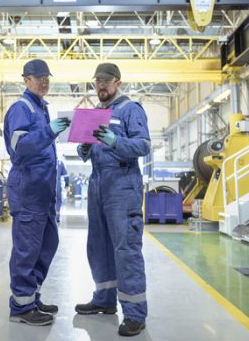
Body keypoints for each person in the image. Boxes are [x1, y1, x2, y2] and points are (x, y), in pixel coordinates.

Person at [75, 63, 151, 337]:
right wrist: (84, 147)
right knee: (98, 246)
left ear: (118, 82)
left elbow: (143, 145)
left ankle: (134, 313)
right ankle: (104, 300)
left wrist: (114, 140)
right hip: (97, 184)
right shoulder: (95, 114)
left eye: (106, 81)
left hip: (122, 185)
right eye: (97, 82)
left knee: (126, 248)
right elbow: (87, 151)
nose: (101, 86)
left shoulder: (131, 109)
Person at [3, 59, 71, 326]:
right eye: (38, 77)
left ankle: (32, 295)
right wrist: (49, 130)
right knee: (27, 250)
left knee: (47, 245)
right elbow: (21, 145)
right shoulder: (22, 108)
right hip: (28, 190)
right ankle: (21, 307)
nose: (44, 81)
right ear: (26, 80)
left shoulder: (41, 109)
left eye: (46, 77)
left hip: (43, 193)